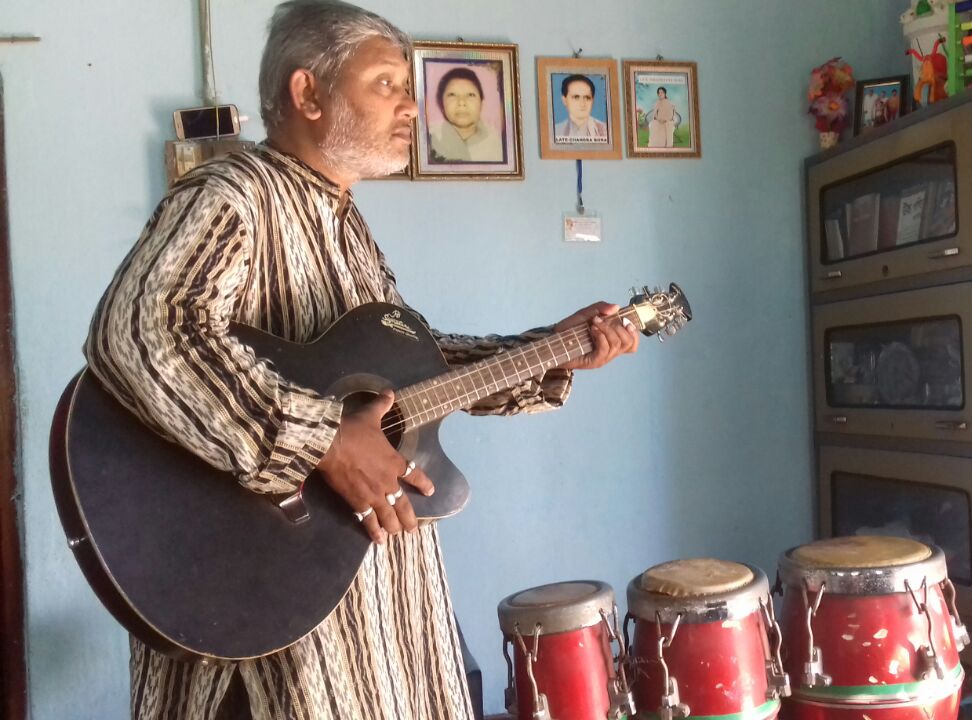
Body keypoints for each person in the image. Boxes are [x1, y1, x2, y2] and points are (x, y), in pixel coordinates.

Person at [82, 1, 639, 718]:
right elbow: (142, 329)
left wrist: (549, 351)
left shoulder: (344, 222)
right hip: (261, 602)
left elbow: (413, 372)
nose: (410, 105)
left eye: (407, 88)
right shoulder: (234, 195)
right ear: (307, 92)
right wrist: (322, 440)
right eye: (386, 84)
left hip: (360, 600)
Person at [428, 67, 504, 162]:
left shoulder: (498, 144)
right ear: (441, 103)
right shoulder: (427, 139)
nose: (461, 102)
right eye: (452, 95)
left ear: (481, 103)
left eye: (470, 95)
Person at [553, 74, 608, 141]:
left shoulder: (606, 131)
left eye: (587, 98)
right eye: (576, 97)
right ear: (564, 100)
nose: (582, 104)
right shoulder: (555, 131)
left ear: (592, 101)